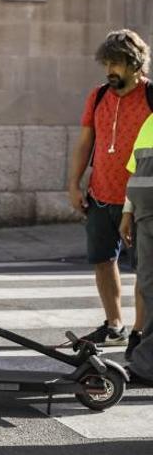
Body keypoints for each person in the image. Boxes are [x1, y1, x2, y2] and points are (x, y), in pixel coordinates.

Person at [68, 29, 152, 348]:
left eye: (116, 63)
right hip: (100, 195)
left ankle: (139, 332)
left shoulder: (150, 96)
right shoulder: (99, 95)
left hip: (142, 199)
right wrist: (73, 184)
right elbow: (85, 142)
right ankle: (115, 323)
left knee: (144, 270)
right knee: (103, 260)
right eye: (107, 63)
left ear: (135, 64)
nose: (109, 71)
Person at [123, 113, 153, 385]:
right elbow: (135, 170)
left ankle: (146, 365)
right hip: (145, 216)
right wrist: (127, 211)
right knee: (148, 285)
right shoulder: (149, 122)